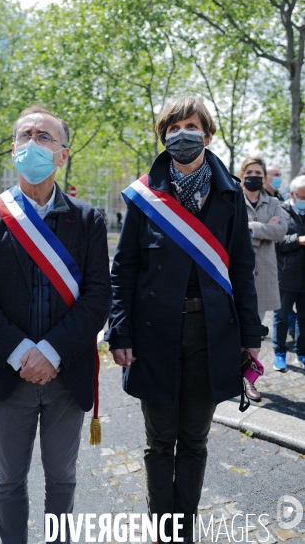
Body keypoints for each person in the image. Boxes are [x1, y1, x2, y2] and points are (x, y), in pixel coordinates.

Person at [105, 95, 265, 544]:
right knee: (160, 443)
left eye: (190, 126)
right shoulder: (142, 196)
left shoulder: (231, 195)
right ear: (163, 136)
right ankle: (164, 532)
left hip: (212, 334)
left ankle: (185, 531)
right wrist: (119, 329)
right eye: (172, 129)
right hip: (154, 334)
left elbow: (242, 272)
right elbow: (125, 270)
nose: (181, 135)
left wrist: (251, 336)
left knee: (194, 441)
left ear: (208, 134)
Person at [0, 105, 111, 544]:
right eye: (25, 136)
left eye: (44, 137)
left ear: (63, 155)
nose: (32, 143)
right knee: (8, 483)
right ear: (12, 149)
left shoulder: (88, 219)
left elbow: (98, 296)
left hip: (67, 375)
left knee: (62, 482)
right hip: (10, 375)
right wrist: (24, 352)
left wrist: (52, 351)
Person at [239, 156, 287, 401]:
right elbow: (230, 228)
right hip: (235, 275)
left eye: (259, 171)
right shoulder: (232, 198)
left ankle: (249, 381)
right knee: (230, 331)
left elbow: (280, 231)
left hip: (263, 278)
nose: (254, 175)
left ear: (264, 176)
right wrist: (262, 228)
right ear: (242, 174)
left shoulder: (275, 202)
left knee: (253, 334)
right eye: (250, 171)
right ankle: (226, 377)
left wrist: (250, 228)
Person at [273, 175, 305, 372]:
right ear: (292, 194)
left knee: (304, 318)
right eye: (302, 196)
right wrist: (299, 240)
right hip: (286, 275)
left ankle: (302, 352)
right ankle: (279, 353)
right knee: (282, 317)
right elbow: (276, 241)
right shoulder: (280, 211)